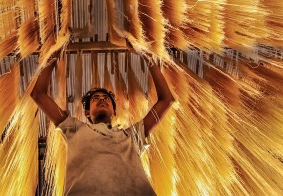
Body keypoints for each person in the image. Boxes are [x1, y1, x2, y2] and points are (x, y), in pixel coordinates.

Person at [31, 49, 175, 195]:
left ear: (114, 112)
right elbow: (38, 95)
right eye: (96, 99)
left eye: (106, 98)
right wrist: (54, 54)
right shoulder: (74, 128)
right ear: (87, 113)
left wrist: (148, 56)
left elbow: (167, 101)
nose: (102, 100)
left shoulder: (132, 136)